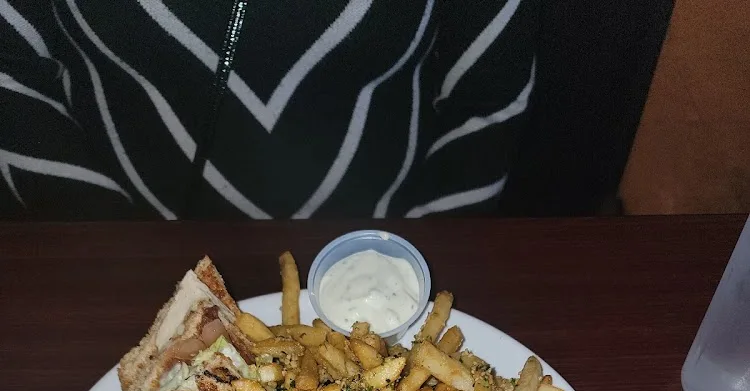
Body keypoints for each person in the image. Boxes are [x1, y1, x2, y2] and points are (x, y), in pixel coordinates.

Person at [0, 0, 539, 220]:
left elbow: (489, 92)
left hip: (391, 255)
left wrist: (415, 279)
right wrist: (111, 262)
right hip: (114, 254)